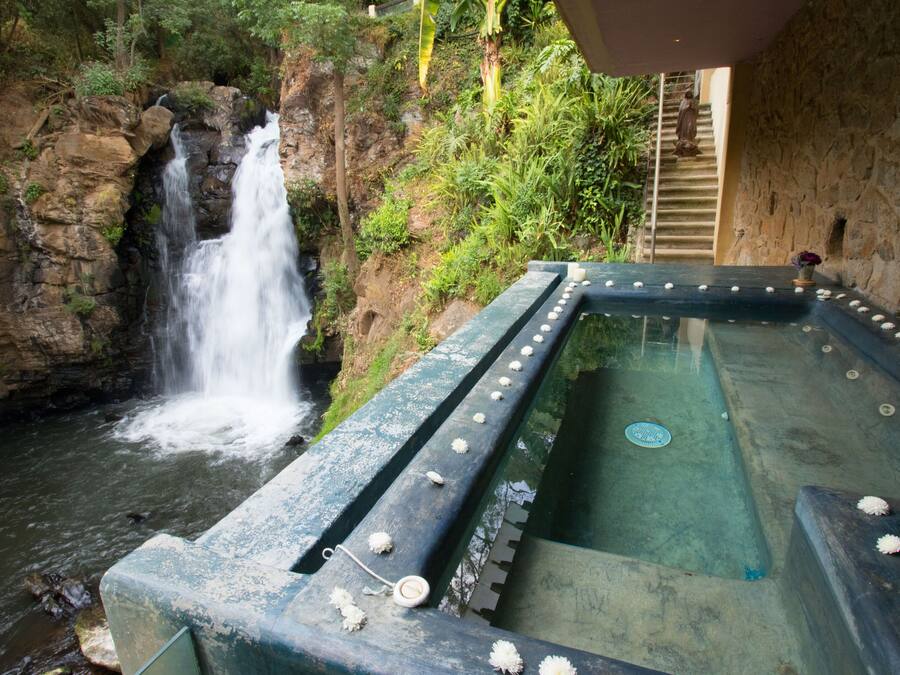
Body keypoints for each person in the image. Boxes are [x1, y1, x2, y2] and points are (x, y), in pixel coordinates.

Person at [673, 90, 701, 157]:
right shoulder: (683, 102)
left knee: (691, 128)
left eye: (689, 94)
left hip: (691, 118)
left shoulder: (694, 101)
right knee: (685, 129)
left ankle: (690, 140)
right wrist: (687, 107)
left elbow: (697, 110)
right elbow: (681, 110)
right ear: (686, 94)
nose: (688, 95)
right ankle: (683, 140)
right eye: (687, 94)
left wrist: (692, 107)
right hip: (684, 119)